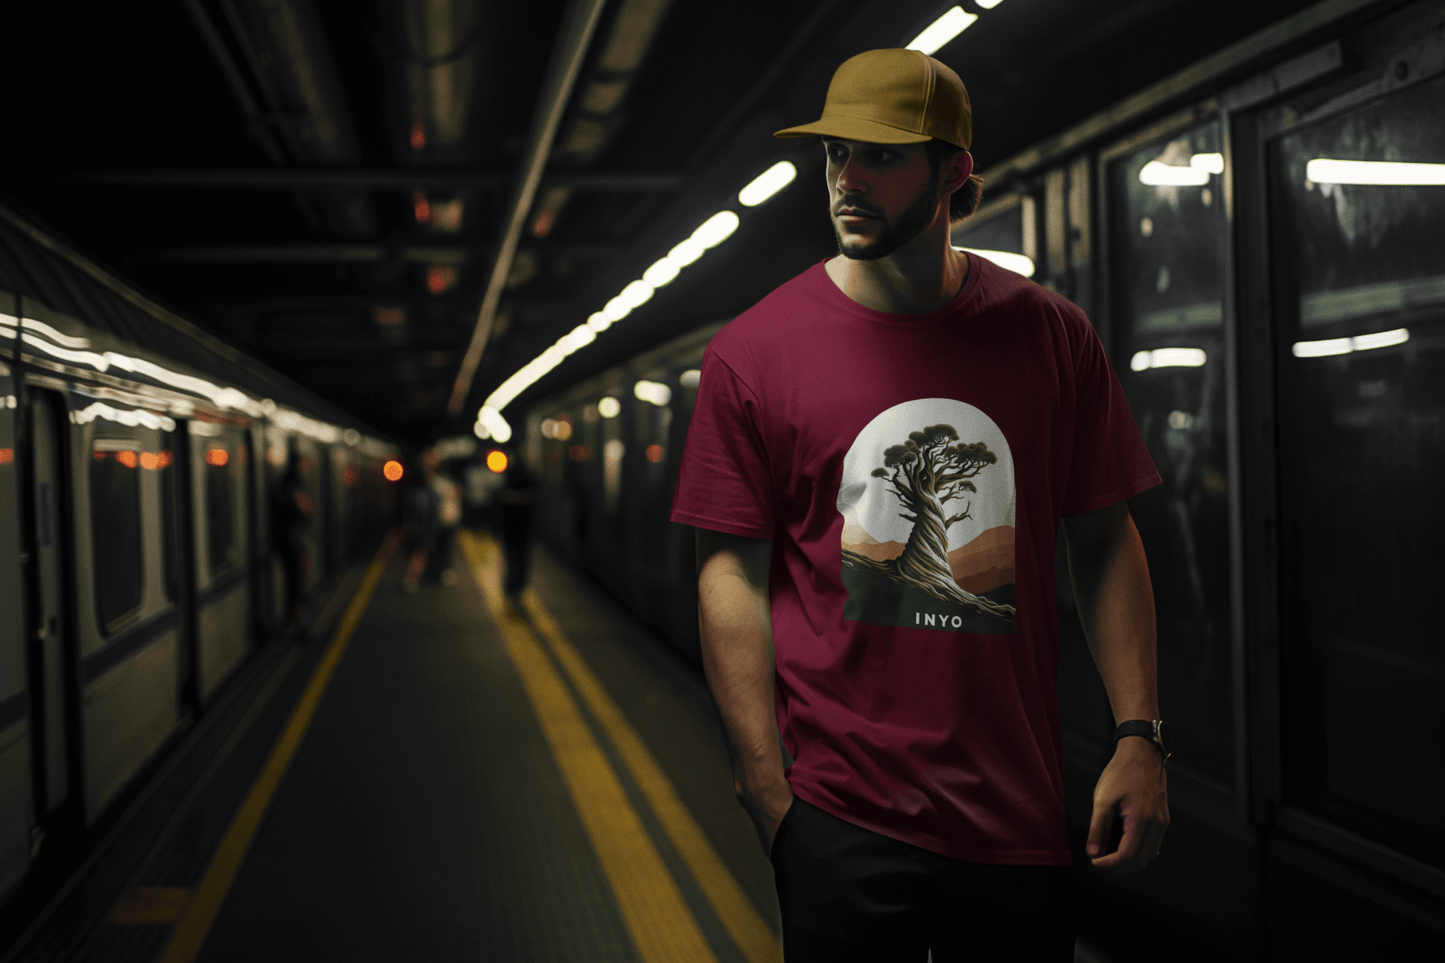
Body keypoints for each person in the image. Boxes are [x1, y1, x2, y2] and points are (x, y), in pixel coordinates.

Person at [671, 48, 1171, 962]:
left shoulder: (1051, 335)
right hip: (837, 816)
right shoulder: (753, 351)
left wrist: (1137, 733)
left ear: (953, 172)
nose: (847, 180)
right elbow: (728, 569)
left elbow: (1102, 540)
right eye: (833, 155)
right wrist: (762, 785)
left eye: (882, 157)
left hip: (1016, 817)